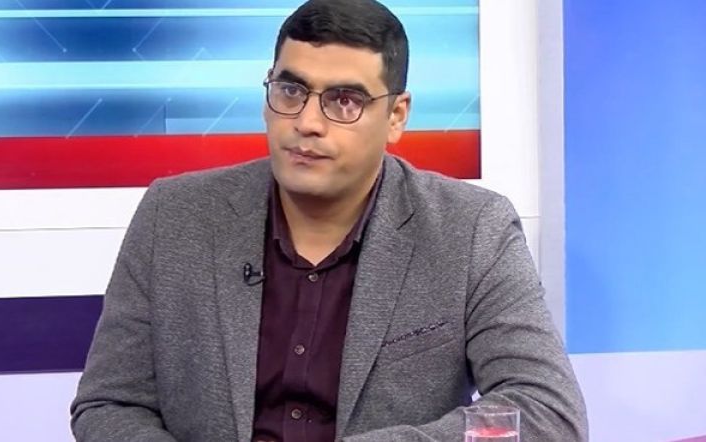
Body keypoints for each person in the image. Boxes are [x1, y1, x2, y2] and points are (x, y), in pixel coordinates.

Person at [70, 0, 588, 440]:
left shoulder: (471, 230)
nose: (308, 122)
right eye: (290, 91)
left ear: (396, 116)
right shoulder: (175, 216)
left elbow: (547, 411)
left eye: (345, 101)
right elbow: (109, 404)